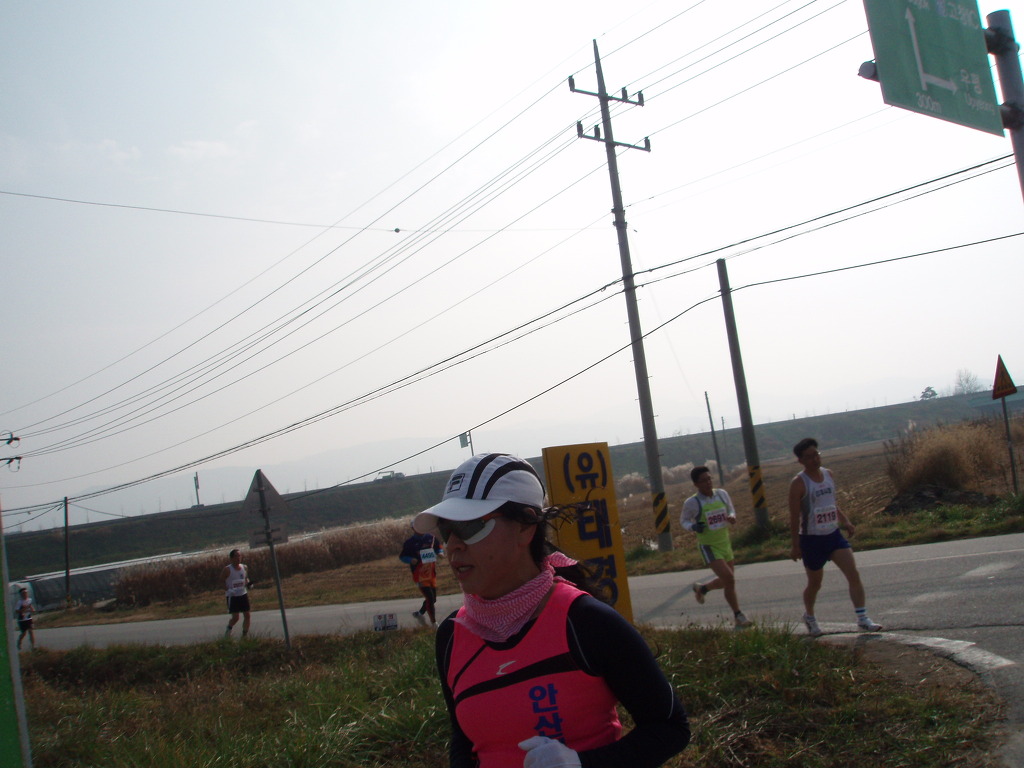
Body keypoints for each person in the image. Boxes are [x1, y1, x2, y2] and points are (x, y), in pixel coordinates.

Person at [413, 452, 690, 768]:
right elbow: (463, 740)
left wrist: (582, 764)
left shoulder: (586, 622)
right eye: (446, 530)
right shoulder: (452, 635)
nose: (453, 545)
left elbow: (670, 728)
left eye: (470, 526)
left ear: (525, 527)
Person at [788, 438, 882, 637]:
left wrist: (845, 521)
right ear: (800, 461)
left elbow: (831, 503)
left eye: (816, 454)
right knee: (815, 584)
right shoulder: (798, 483)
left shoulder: (828, 474)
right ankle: (809, 616)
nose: (815, 459)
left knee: (853, 574)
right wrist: (795, 545)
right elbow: (794, 517)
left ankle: (862, 618)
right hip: (812, 539)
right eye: (809, 457)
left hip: (833, 535)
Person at [680, 465, 750, 629]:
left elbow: (731, 509)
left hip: (725, 543)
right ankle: (738, 615)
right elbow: (683, 521)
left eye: (709, 479)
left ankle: (703, 588)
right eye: (703, 481)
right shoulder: (692, 502)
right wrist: (693, 527)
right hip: (709, 546)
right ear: (696, 484)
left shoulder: (721, 494)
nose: (708, 483)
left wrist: (731, 516)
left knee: (727, 581)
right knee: (730, 579)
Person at [400, 526, 444, 626]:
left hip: (431, 573)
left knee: (433, 599)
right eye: (417, 527)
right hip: (419, 575)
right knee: (430, 598)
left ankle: (420, 613)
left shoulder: (431, 538)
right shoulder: (410, 542)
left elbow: (438, 547)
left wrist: (440, 553)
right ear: (413, 528)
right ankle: (434, 623)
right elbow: (403, 556)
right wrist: (410, 560)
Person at [221, 548, 253, 638]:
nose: (238, 558)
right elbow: (221, 581)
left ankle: (244, 635)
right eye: (236, 556)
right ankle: (228, 630)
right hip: (233, 596)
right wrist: (228, 590)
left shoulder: (244, 567)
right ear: (231, 558)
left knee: (247, 615)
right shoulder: (227, 569)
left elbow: (245, 578)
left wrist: (249, 584)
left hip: (243, 594)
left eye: (239, 556)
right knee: (236, 617)